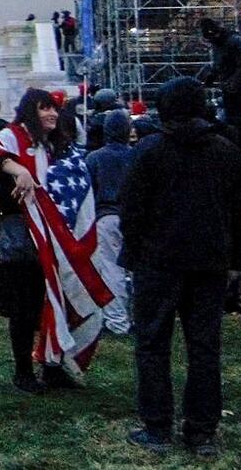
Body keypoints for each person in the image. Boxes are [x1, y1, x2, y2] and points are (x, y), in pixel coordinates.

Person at [119, 77, 241, 457]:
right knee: (204, 348)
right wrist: (240, 262)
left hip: (159, 263)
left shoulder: (148, 151)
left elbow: (132, 210)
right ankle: (201, 431)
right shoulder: (225, 152)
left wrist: (137, 251)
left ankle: (158, 426)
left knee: (152, 345)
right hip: (209, 263)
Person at [0, 89, 106, 393]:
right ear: (29, 111)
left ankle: (53, 366)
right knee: (23, 309)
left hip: (56, 241)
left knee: (52, 304)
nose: (51, 114)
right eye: (44, 109)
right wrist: (18, 167)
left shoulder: (57, 144)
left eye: (54, 109)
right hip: (23, 243)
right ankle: (23, 371)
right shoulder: (12, 137)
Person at [86, 110, 137, 335]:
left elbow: (88, 191)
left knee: (111, 270)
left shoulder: (95, 158)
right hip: (136, 216)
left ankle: (117, 321)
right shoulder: (137, 155)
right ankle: (144, 318)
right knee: (140, 271)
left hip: (106, 216)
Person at [196, 19, 241, 128]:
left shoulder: (235, 40)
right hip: (228, 84)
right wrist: (208, 80)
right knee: (230, 117)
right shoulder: (217, 44)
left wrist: (233, 82)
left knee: (240, 118)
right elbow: (217, 65)